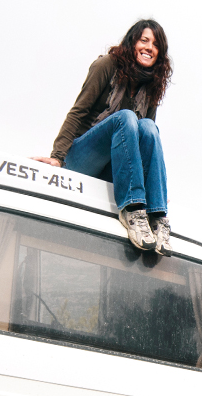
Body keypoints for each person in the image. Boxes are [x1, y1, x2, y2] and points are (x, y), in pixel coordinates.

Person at [34, 19, 173, 255]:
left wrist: (154, 185)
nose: (149, 47)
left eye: (156, 44)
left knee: (148, 126)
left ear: (160, 54)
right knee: (127, 117)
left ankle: (158, 217)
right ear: (133, 42)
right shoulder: (107, 65)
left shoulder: (151, 87)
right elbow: (78, 111)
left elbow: (146, 142)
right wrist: (57, 157)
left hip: (117, 167)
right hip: (83, 158)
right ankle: (132, 209)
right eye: (144, 40)